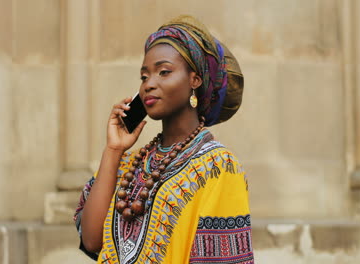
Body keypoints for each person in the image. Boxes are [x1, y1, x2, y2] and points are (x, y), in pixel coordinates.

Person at [74, 15, 254, 264]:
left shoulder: (218, 166)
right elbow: (92, 241)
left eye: (164, 72)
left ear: (195, 80)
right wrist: (113, 149)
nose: (149, 84)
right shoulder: (129, 164)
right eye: (144, 76)